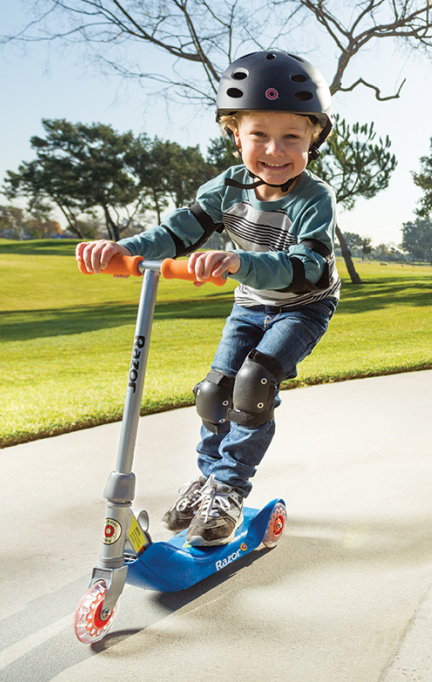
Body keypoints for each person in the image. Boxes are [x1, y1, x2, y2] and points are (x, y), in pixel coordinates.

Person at [75, 50, 340, 546]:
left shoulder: (314, 197)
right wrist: (123, 250)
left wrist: (239, 262)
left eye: (292, 137)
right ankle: (207, 480)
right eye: (259, 133)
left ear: (313, 139)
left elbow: (308, 270)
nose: (274, 150)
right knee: (214, 392)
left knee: (254, 384)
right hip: (250, 302)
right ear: (234, 132)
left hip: (303, 305)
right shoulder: (228, 187)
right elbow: (177, 232)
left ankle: (231, 489)